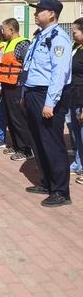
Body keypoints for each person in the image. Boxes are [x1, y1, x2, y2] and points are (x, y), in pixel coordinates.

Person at [22, 0, 72, 207]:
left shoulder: (58, 38)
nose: (36, 13)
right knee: (38, 141)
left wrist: (50, 103)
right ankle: (47, 182)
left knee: (52, 143)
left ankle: (61, 191)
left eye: (40, 10)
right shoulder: (39, 37)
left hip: (48, 95)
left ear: (52, 14)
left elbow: (58, 74)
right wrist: (25, 94)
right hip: (34, 93)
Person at [0, 18, 34, 161]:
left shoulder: (22, 44)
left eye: (4, 29)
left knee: (19, 118)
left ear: (11, 30)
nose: (2, 32)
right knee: (10, 118)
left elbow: (28, 65)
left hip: (17, 87)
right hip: (7, 85)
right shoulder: (7, 44)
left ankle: (26, 149)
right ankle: (17, 145)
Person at [69, 18, 83, 185]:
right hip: (74, 96)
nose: (72, 34)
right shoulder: (76, 47)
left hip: (81, 97)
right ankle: (79, 164)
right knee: (76, 134)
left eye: (75, 32)